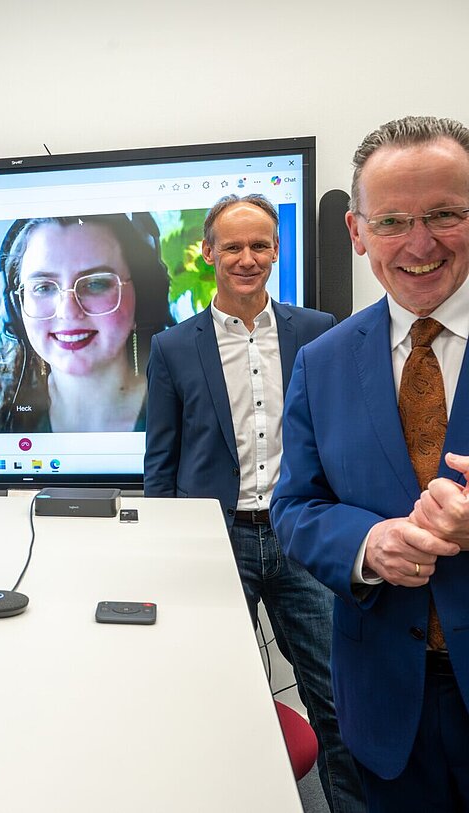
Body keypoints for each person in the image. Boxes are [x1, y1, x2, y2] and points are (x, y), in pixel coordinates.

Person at [272, 115, 469, 810]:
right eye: (392, 221)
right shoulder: (322, 361)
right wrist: (367, 542)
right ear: (357, 233)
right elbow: (295, 507)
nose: (420, 243)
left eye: (444, 213)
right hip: (385, 704)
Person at [145, 195, 363, 812]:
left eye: (260, 245)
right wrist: (167, 547)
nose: (247, 258)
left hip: (302, 539)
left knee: (334, 700)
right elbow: (161, 464)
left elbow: (339, 440)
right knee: (220, 700)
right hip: (216, 544)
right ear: (208, 252)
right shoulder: (172, 348)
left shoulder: (319, 333)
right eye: (233, 246)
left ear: (276, 251)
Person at [0, 212, 173, 433]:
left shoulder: (190, 407)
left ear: (143, 296)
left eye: (96, 284)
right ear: (16, 309)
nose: (68, 311)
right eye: (43, 287)